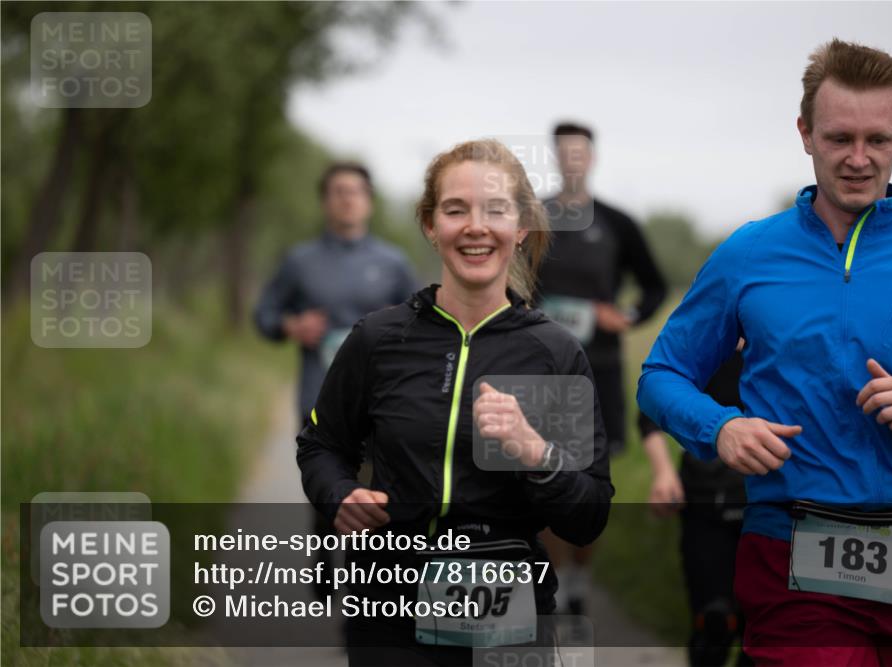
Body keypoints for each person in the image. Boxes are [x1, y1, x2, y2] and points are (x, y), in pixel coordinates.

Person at [638, 39, 892, 666]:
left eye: (877, 140)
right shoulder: (750, 254)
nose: (858, 159)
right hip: (792, 541)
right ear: (804, 133)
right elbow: (661, 375)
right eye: (838, 139)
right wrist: (719, 427)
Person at [297, 139, 613, 666]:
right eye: (455, 209)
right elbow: (321, 445)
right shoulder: (379, 339)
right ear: (429, 223)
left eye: (495, 210)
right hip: (386, 603)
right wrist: (339, 493)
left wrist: (536, 453)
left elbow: (588, 516)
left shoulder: (554, 352)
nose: (475, 226)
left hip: (508, 608)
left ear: (521, 227)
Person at [535, 122, 667, 615]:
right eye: (563, 152)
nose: (572, 160)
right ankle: (552, 576)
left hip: (600, 370)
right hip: (540, 374)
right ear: (554, 157)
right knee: (541, 474)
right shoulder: (533, 218)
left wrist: (627, 316)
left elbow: (653, 285)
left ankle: (579, 577)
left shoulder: (616, 223)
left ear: (591, 159)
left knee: (590, 481)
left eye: (580, 152)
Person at [254, 161, 417, 427]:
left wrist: (399, 323)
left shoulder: (394, 262)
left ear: (369, 202)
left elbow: (425, 321)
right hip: (318, 404)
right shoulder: (300, 261)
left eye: (356, 191)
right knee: (323, 469)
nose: (348, 198)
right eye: (339, 191)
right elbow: (263, 314)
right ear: (324, 202)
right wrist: (291, 325)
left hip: (379, 405)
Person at [643, 347, 750, 667]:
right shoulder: (706, 338)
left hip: (775, 503)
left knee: (766, 635)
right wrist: (663, 473)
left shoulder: (791, 337)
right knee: (712, 625)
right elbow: (649, 411)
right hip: (707, 496)